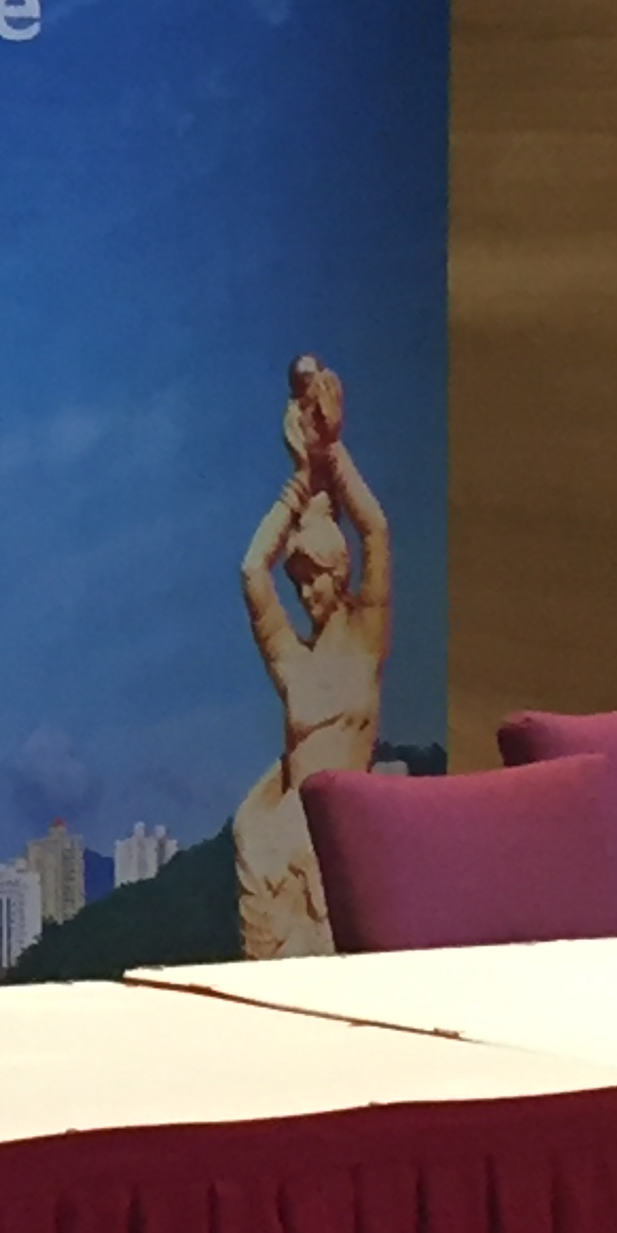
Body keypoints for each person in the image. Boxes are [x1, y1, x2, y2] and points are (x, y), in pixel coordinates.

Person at [231, 356, 392, 959]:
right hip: (285, 850)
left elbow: (375, 531)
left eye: (314, 578)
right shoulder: (292, 663)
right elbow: (253, 570)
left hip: (340, 839)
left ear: (338, 570)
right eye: (297, 582)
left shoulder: (366, 637)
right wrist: (299, 481)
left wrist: (332, 454)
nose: (305, 594)